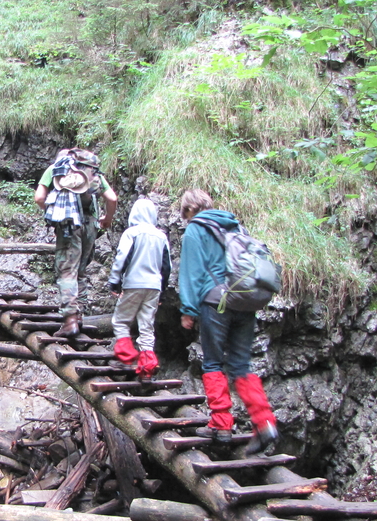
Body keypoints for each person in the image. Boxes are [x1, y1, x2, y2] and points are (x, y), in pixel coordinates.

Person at [177, 188, 279, 455]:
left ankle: (221, 425)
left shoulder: (196, 229)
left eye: (185, 212)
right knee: (241, 365)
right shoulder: (235, 227)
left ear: (189, 209)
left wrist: (188, 310)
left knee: (212, 362)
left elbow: (191, 272)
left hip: (215, 302)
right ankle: (264, 422)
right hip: (244, 301)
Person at [34, 148, 117, 338]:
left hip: (69, 224)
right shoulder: (91, 170)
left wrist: (53, 209)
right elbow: (112, 198)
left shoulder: (55, 169)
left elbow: (39, 197)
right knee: (80, 271)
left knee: (67, 271)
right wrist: (107, 219)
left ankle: (70, 320)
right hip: (91, 224)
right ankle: (79, 316)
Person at [107, 198, 171, 383]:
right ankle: (147, 369)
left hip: (134, 284)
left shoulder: (131, 233)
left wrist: (115, 282)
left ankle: (126, 358)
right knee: (147, 327)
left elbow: (122, 258)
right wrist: (162, 291)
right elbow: (166, 266)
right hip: (154, 286)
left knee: (120, 321)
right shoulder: (161, 236)